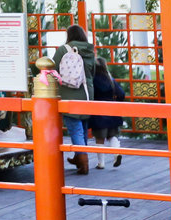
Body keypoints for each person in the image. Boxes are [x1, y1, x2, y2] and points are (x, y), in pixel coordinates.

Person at [52, 23, 97, 176]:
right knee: (83, 126)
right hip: (87, 92)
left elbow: (53, 69)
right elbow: (92, 72)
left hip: (69, 92)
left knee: (75, 128)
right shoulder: (90, 51)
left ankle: (83, 162)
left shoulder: (63, 50)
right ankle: (79, 157)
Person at [89, 58, 127, 169]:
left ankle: (101, 163)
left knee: (99, 138)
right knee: (112, 136)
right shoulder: (110, 79)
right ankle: (117, 153)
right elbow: (121, 94)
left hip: (98, 112)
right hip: (112, 111)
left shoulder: (92, 80)